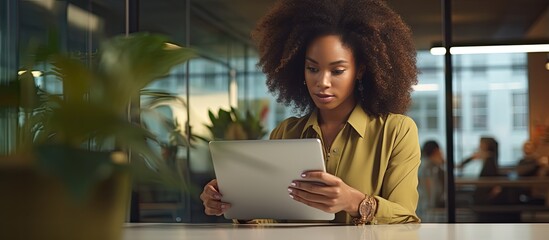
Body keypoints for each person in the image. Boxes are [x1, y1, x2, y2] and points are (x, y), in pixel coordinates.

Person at [200, 0, 420, 224]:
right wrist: (236, 203)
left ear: (360, 70)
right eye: (312, 69)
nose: (322, 82)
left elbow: (406, 221)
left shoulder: (396, 132)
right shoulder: (286, 132)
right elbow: (271, 219)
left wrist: (354, 202)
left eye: (337, 70)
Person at [417, 140, 445, 222]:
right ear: (436, 151)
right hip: (427, 206)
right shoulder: (428, 166)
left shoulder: (430, 164)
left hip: (427, 205)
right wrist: (430, 205)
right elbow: (428, 186)